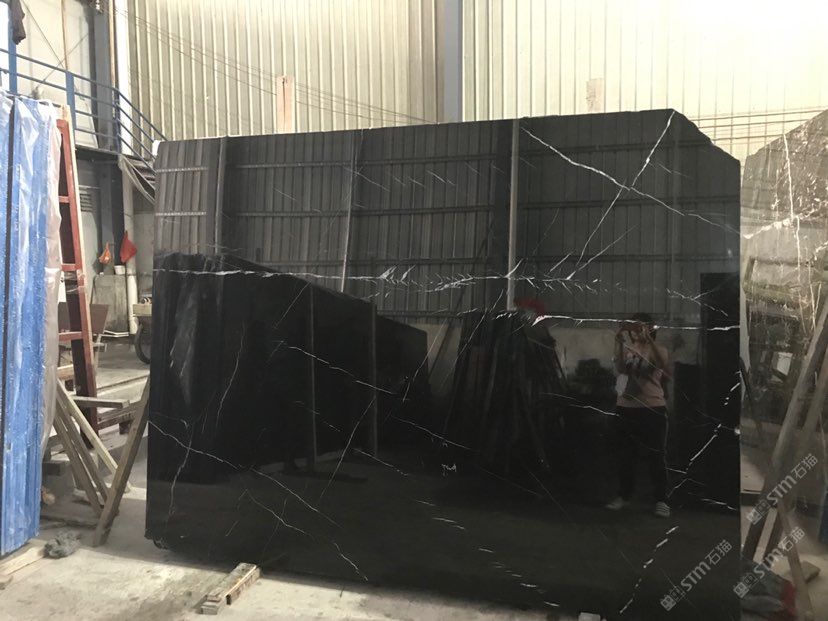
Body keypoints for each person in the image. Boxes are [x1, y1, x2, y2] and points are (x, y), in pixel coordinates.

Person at [605, 313, 671, 518]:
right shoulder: (627, 350)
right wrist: (618, 342)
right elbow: (620, 369)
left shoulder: (659, 349)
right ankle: (624, 495)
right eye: (633, 327)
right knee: (625, 454)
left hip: (652, 408)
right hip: (626, 407)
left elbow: (660, 363)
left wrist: (648, 338)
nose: (635, 330)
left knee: (656, 455)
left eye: (639, 326)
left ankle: (661, 500)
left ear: (650, 328)